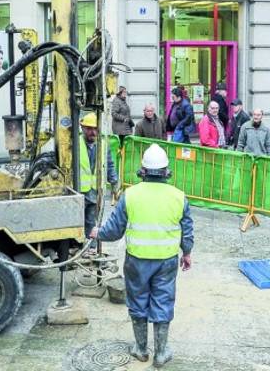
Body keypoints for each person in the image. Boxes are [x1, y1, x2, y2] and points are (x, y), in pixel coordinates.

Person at [90, 143, 193, 368]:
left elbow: (114, 231)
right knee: (163, 301)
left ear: (143, 171)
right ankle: (162, 352)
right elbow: (187, 229)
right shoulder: (178, 197)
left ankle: (141, 349)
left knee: (138, 302)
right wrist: (187, 253)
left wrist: (97, 233)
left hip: (137, 261)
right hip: (166, 261)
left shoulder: (131, 195)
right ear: (167, 171)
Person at [79, 112, 119, 252]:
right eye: (89, 129)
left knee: (91, 221)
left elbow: (109, 165)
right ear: (82, 128)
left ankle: (90, 248)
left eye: (95, 129)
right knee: (76, 223)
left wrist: (114, 183)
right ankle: (77, 246)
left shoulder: (102, 145)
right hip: (78, 191)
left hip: (94, 192)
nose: (93, 132)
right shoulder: (75, 144)